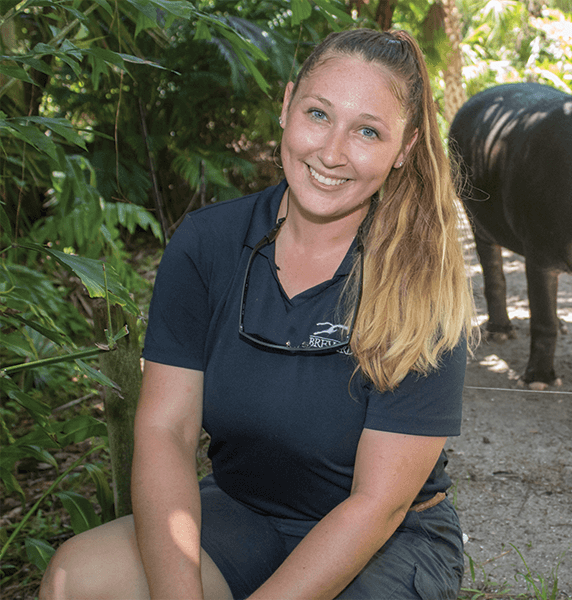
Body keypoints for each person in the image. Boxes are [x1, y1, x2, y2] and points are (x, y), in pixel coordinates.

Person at [39, 28, 476, 600]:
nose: (332, 152)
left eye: (367, 131)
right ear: (287, 104)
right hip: (245, 511)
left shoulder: (420, 280)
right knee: (80, 579)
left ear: (406, 150)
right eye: (318, 114)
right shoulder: (207, 244)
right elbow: (165, 431)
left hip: (386, 536)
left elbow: (378, 503)